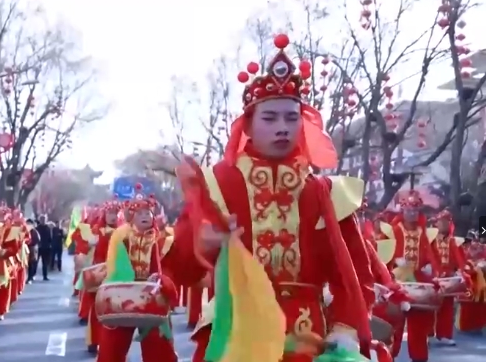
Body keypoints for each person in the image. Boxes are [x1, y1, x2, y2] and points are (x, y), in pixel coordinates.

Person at [169, 34, 373, 362]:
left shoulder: (326, 192)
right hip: (235, 334)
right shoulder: (216, 184)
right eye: (270, 118)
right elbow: (178, 270)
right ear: (248, 124)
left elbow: (355, 275)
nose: (282, 128)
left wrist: (345, 328)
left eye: (292, 118)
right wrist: (202, 246)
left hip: (308, 338)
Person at [95, 185, 179, 362]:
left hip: (150, 294)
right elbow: (115, 265)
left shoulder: (157, 238)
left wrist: (157, 280)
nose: (145, 216)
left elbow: (162, 266)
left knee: (158, 344)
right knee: (113, 343)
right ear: (131, 217)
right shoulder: (121, 236)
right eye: (139, 213)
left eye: (148, 213)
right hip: (125, 293)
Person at [381, 192, 439, 362]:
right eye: (409, 210)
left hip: (419, 283)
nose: (412, 214)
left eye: (415, 211)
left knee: (418, 325)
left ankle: (419, 357)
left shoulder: (425, 233)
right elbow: (382, 255)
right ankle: (388, 356)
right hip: (397, 283)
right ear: (403, 211)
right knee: (394, 324)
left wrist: (431, 268)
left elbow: (432, 256)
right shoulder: (393, 231)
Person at [431, 209, 465, 347]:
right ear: (437, 223)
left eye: (446, 221)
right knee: (428, 306)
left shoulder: (454, 241)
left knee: (447, 307)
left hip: (448, 277)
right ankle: (425, 334)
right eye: (441, 221)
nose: (443, 224)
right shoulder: (430, 239)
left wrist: (461, 272)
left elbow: (460, 259)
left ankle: (444, 335)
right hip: (432, 277)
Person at [34, 216, 53, 281]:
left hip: (46, 247)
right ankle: (33, 275)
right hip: (39, 247)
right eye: (42, 219)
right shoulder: (37, 228)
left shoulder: (48, 228)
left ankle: (45, 276)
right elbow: (35, 237)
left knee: (45, 263)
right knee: (35, 262)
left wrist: (50, 245)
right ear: (40, 220)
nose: (43, 220)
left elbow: (50, 238)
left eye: (44, 219)